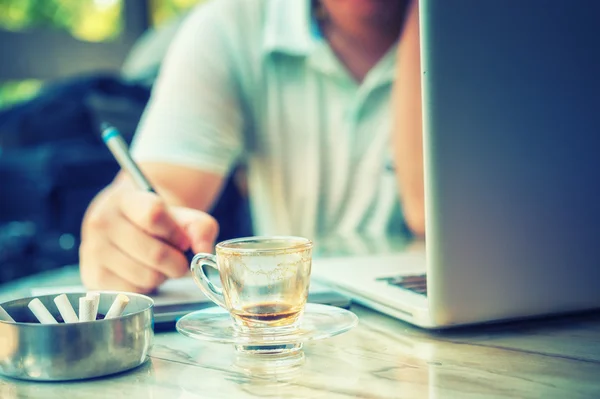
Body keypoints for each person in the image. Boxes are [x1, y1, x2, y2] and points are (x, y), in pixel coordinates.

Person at [79, 0, 424, 293]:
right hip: (293, 318)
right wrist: (128, 229)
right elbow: (163, 188)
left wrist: (435, 21)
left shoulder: (475, 32)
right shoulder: (232, 24)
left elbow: (424, 209)